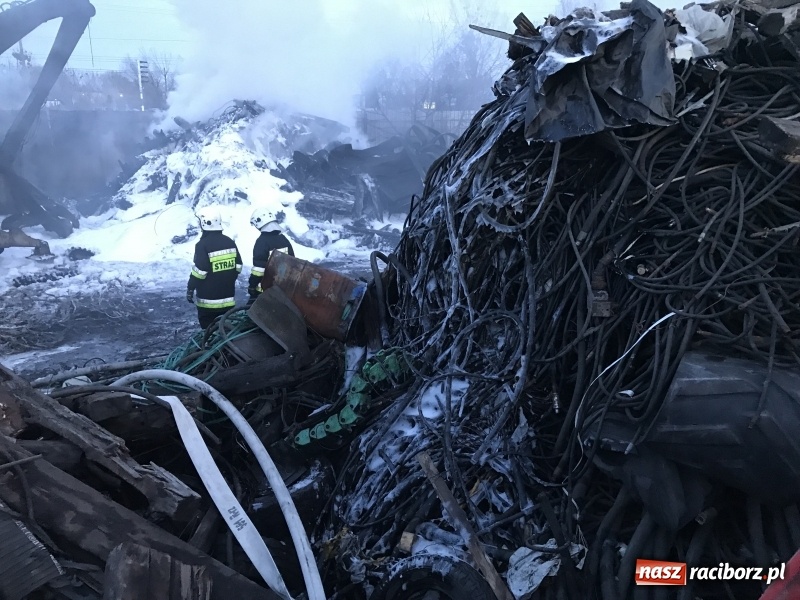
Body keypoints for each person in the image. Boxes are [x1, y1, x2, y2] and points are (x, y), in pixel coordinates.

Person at [186, 206, 243, 329]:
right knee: (226, 332)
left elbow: (200, 272)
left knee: (209, 334)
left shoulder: (202, 245)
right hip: (228, 301)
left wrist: (190, 288)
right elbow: (238, 266)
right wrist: (226, 278)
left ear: (204, 223)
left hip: (208, 305)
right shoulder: (230, 242)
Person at [248, 208, 295, 302]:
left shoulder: (262, 242)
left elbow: (258, 270)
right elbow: (293, 262)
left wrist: (252, 286)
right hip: (283, 288)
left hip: (265, 290)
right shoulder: (283, 239)